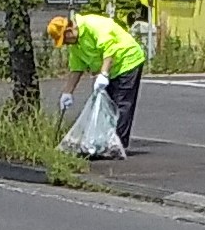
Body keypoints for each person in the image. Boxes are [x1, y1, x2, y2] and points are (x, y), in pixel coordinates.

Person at [47, 13, 146, 150]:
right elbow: (77, 67)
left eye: (64, 39)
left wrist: (103, 74)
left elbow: (109, 49)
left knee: (121, 103)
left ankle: (117, 145)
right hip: (111, 69)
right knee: (108, 105)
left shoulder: (93, 25)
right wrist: (67, 92)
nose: (64, 43)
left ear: (69, 31)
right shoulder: (75, 44)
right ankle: (107, 142)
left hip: (127, 60)